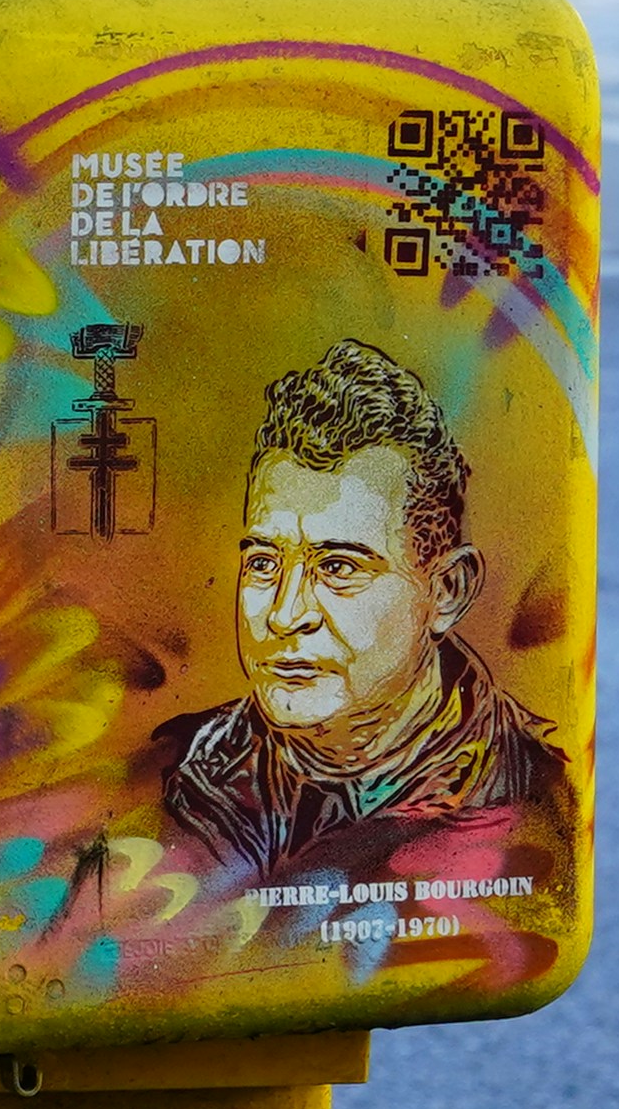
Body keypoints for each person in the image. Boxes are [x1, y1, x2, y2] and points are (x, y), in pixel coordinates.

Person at [142, 338, 561, 896]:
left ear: (446, 591)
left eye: (338, 567)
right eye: (264, 563)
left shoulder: (541, 794)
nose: (285, 614)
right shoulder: (171, 771)